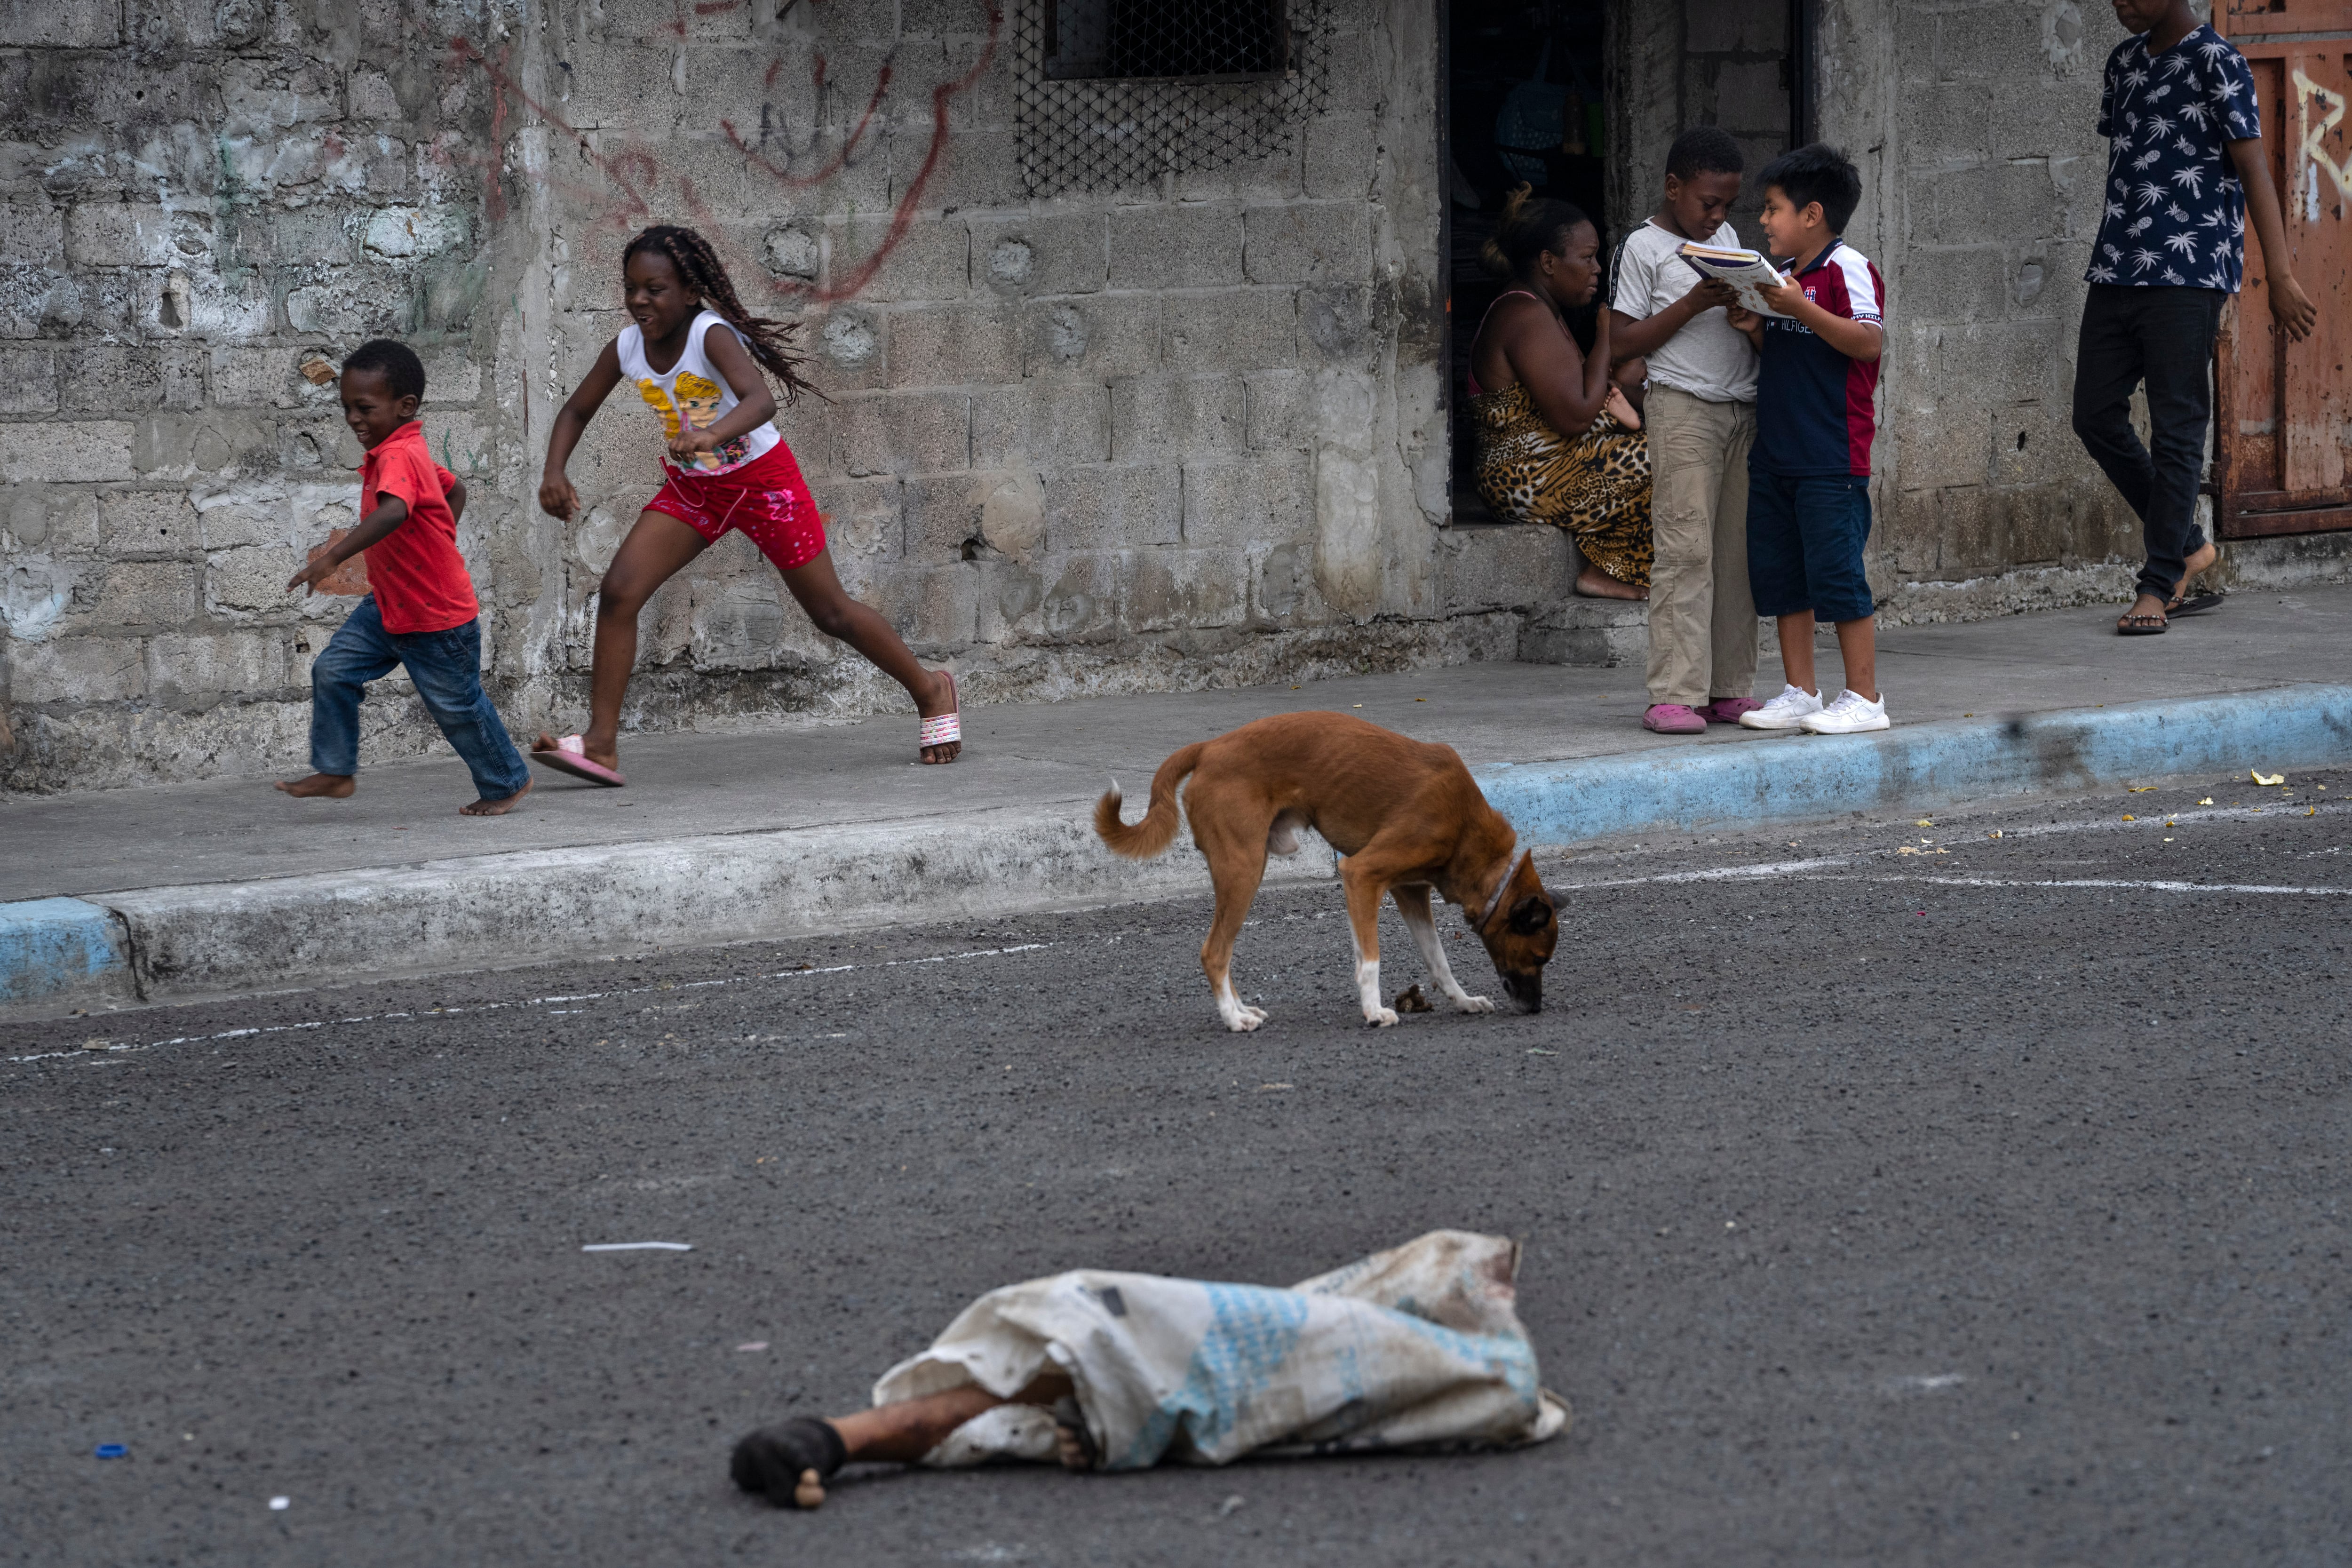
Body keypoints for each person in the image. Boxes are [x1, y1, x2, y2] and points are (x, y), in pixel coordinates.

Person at [533, 225, 962, 783]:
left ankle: (931, 689)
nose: (639, 300)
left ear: (690, 292)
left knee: (829, 613)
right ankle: (599, 744)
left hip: (765, 486)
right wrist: (554, 470)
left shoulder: (709, 336)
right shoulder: (626, 347)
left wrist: (712, 435)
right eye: (631, 287)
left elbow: (759, 400)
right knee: (619, 593)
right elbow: (574, 411)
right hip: (696, 491)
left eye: (654, 288)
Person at [2076, 0, 2315, 637]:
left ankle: (2160, 583)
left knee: (2178, 428)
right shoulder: (2124, 64)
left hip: (2189, 271)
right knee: (2093, 413)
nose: (2120, 5)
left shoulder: (2219, 61)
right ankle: (2186, 540)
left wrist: (2281, 275)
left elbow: (2254, 168)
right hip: (2117, 266)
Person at [278, 340, 533, 816]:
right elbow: (453, 488)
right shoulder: (400, 449)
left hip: (437, 619)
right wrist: (440, 537)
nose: (354, 418)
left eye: (365, 408)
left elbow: (394, 511)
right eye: (347, 408)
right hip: (390, 605)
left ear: (405, 407)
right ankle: (336, 770)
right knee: (333, 670)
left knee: (458, 709)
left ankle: (506, 781)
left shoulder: (398, 456)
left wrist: (331, 559)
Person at [1724, 144, 1891, 736]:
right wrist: (1756, 328)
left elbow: (1867, 342)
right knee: (1782, 574)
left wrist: (1798, 306)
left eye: (1772, 209)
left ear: (1812, 214)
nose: (1764, 221)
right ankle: (1800, 690)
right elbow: (1798, 353)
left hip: (1830, 455)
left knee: (1836, 574)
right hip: (1776, 453)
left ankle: (1865, 698)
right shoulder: (1786, 282)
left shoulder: (1844, 269)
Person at [1607, 127, 1760, 735]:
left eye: (1727, 205)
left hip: (1739, 409)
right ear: (1673, 188)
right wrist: (1694, 304)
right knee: (1686, 550)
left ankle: (1728, 687)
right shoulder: (1643, 248)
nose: (1718, 215)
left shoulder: (1724, 240)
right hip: (1682, 409)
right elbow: (1621, 341)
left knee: (1734, 556)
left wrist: (1748, 311)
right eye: (1707, 202)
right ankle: (1674, 691)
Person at [1465, 186, 1653, 600]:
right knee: (1669, 458)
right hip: (1527, 476)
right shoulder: (1525, 315)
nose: (1597, 269)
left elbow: (1587, 394)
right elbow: (1575, 417)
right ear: (1549, 262)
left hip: (1549, 464)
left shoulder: (1540, 308)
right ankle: (1610, 572)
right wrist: (1605, 336)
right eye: (1586, 258)